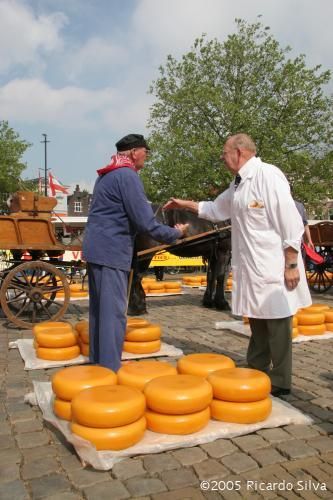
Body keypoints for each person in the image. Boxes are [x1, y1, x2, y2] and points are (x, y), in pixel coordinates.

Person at [164, 133, 311, 397]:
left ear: (240, 152)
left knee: (277, 322)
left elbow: (290, 220)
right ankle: (256, 368)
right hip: (251, 266)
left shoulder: (268, 175)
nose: (222, 158)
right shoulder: (239, 183)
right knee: (256, 319)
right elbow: (216, 209)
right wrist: (183, 203)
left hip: (273, 264)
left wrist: (291, 262)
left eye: (224, 153)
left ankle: (280, 380)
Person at [82, 134, 188, 372]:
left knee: (100, 311)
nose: (147, 156)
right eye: (145, 151)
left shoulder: (106, 175)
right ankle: (109, 369)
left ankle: (99, 362)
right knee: (114, 314)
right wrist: (176, 234)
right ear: (133, 152)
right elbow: (146, 223)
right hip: (112, 251)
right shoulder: (127, 176)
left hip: (97, 249)